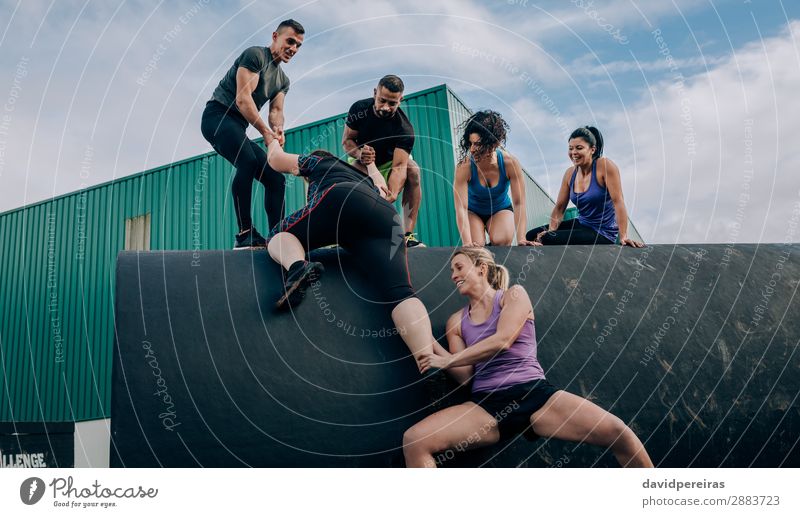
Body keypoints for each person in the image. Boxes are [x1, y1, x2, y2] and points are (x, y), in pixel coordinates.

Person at [403, 247, 654, 468]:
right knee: (415, 441)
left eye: (459, 267)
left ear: (481, 268)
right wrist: (432, 343)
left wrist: (445, 361)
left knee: (619, 433)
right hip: (488, 406)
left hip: (535, 396)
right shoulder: (456, 322)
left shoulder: (513, 295)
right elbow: (467, 376)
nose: (453, 275)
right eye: (451, 271)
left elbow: (503, 340)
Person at [262, 132, 440, 372]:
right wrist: (372, 165)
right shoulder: (362, 175)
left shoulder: (318, 162)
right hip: (385, 216)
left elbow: (275, 160)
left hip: (340, 199)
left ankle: (297, 267)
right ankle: (428, 363)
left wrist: (271, 139)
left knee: (278, 234)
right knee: (401, 292)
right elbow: (385, 191)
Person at [201, 19, 305, 249]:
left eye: (298, 45)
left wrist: (277, 130)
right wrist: (266, 134)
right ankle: (244, 233)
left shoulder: (283, 80)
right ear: (275, 36)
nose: (293, 49)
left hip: (237, 126)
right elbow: (243, 99)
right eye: (290, 41)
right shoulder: (255, 56)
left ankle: (278, 237)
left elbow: (276, 111)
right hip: (217, 117)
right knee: (246, 161)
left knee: (275, 179)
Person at [342, 75, 424, 247]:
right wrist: (359, 154)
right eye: (382, 100)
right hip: (362, 160)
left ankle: (407, 235)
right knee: (351, 176)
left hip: (390, 162)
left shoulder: (404, 129)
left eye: (392, 103)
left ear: (400, 100)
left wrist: (391, 193)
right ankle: (348, 235)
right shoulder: (359, 109)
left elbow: (399, 166)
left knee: (413, 170)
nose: (385, 107)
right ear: (375, 93)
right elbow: (347, 142)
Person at [527, 126, 643, 247]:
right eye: (571, 148)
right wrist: (552, 230)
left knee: (547, 239)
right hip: (582, 224)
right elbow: (560, 207)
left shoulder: (604, 166)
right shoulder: (570, 174)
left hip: (602, 232)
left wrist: (623, 236)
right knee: (532, 235)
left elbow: (618, 202)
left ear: (592, 149)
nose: (573, 153)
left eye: (579, 148)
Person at [453, 110, 536, 247]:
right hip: (472, 211)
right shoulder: (464, 167)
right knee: (476, 245)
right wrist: (467, 243)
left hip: (500, 209)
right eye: (470, 143)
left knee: (501, 240)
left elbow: (519, 204)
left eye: (478, 144)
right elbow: (461, 208)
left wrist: (521, 238)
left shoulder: (510, 163)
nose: (472, 149)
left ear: (494, 144)